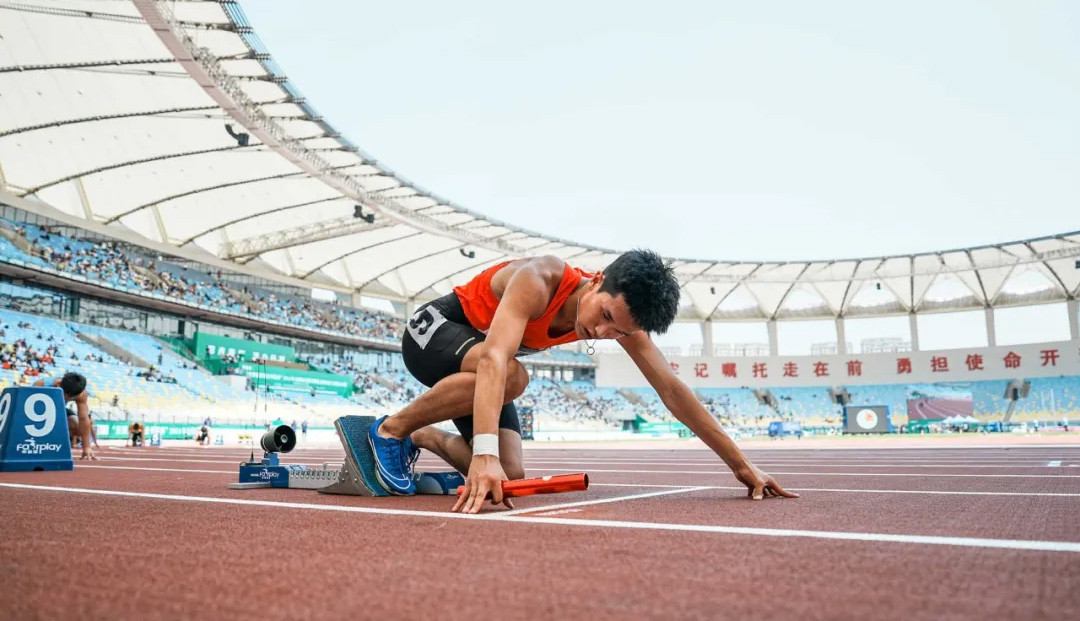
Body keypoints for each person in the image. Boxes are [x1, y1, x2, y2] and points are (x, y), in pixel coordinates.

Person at [367, 250, 798, 513]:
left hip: (480, 365)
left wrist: (741, 465)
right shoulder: (540, 278)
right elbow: (497, 359)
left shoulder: (621, 321)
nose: (605, 333)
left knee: (513, 472)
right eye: (606, 317)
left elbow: (671, 389)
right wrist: (482, 455)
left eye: (620, 333)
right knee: (515, 377)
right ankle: (388, 430)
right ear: (595, 282)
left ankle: (422, 436)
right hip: (433, 332)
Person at [33, 371, 95, 460]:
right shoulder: (41, 385)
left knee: (76, 425)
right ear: (58, 384)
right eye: (64, 394)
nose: (65, 398)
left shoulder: (81, 394)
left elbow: (83, 418)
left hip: (60, 409)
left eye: (69, 397)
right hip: (39, 410)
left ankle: (62, 445)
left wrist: (87, 447)